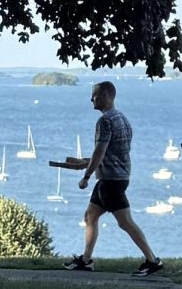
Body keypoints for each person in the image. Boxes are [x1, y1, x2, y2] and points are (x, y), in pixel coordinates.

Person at [60, 80, 161, 276]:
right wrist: (87, 162)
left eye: (95, 95)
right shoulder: (122, 118)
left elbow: (100, 150)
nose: (91, 99)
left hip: (111, 180)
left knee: (125, 222)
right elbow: (113, 152)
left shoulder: (105, 121)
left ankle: (152, 260)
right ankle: (86, 260)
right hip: (119, 176)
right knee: (90, 216)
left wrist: (87, 175)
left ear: (106, 95)